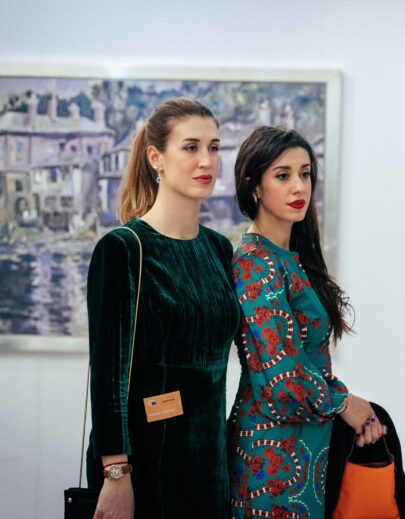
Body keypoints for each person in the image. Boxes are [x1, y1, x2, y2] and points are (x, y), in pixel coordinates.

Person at [85, 97, 239, 518]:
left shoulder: (219, 249)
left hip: (210, 466)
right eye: (191, 147)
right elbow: (108, 376)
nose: (206, 160)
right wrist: (116, 474)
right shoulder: (122, 249)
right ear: (156, 158)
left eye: (214, 147)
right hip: (144, 463)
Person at [228, 126, 386, 519]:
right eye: (282, 176)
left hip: (305, 441)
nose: (299, 186)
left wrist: (345, 406)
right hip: (272, 455)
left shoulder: (287, 256)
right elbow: (282, 376)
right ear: (254, 186)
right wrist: (344, 402)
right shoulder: (254, 262)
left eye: (305, 174)